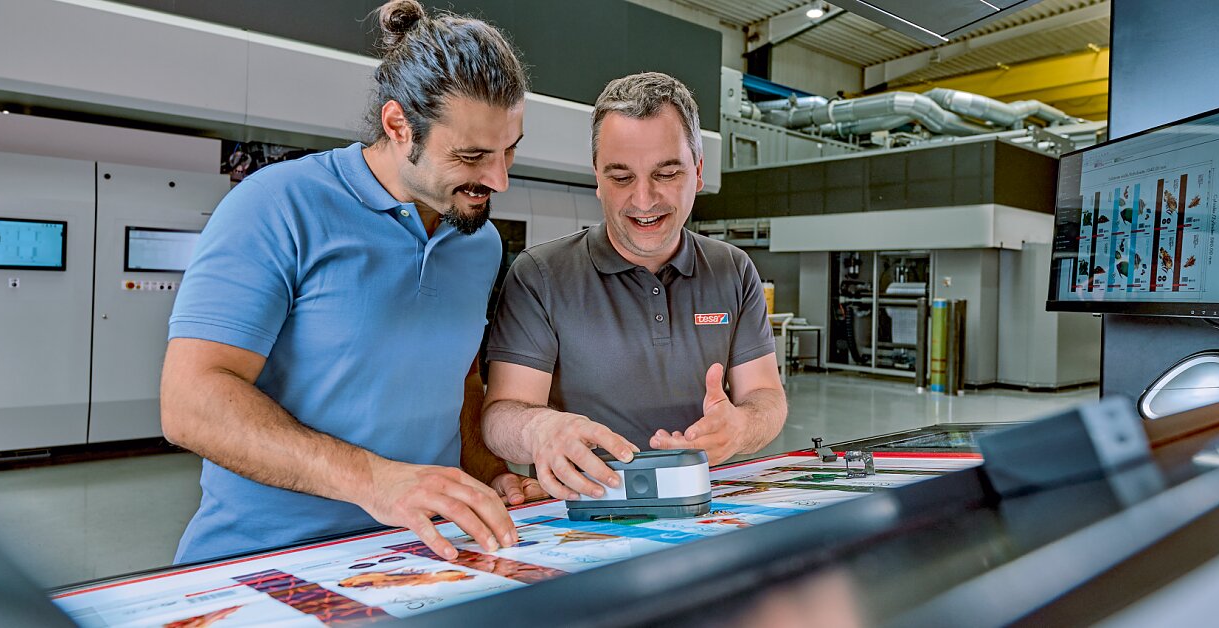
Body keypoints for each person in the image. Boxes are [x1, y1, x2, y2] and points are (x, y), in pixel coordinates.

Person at [161, 0, 539, 564]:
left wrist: (487, 471)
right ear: (397, 126)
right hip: (264, 560)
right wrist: (374, 479)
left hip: (419, 554)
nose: (498, 179)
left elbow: (456, 378)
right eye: (472, 156)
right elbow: (190, 401)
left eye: (510, 151)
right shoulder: (276, 206)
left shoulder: (478, 242)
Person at [480, 72, 789, 501]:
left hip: (706, 507)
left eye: (665, 173)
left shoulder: (733, 271)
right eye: (621, 177)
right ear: (597, 178)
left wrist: (742, 427)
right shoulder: (540, 276)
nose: (644, 200)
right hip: (586, 515)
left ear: (698, 172)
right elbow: (498, 418)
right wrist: (540, 428)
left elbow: (766, 396)